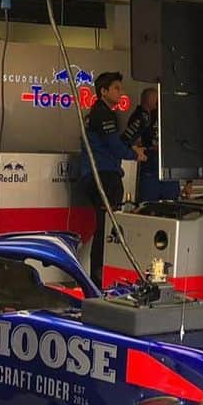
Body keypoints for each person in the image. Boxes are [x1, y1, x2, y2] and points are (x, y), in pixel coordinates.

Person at [79, 71, 146, 285]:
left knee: (104, 227)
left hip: (98, 175)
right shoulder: (103, 113)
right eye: (116, 88)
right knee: (106, 228)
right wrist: (135, 154)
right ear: (104, 91)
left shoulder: (99, 113)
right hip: (104, 177)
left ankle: (99, 277)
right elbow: (113, 146)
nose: (121, 92)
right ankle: (98, 279)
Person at [123, 87, 159, 203]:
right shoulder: (139, 117)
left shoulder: (152, 116)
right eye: (156, 98)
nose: (158, 101)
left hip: (154, 165)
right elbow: (130, 140)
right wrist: (143, 148)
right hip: (145, 166)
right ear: (150, 99)